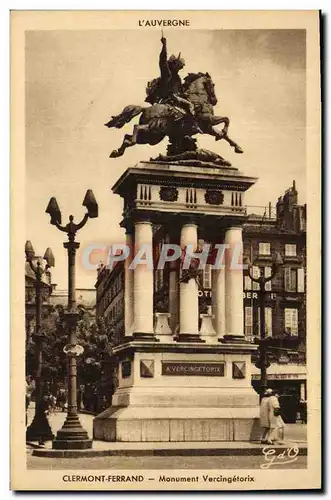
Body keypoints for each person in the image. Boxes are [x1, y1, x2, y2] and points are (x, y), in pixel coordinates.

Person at [146, 36, 195, 117]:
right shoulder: (167, 73)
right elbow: (162, 60)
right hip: (169, 99)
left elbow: (180, 90)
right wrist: (164, 46)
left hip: (176, 99)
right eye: (179, 66)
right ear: (174, 64)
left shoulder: (177, 77)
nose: (180, 68)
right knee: (190, 105)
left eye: (180, 67)